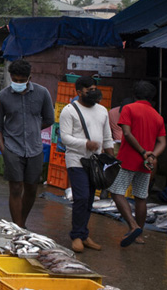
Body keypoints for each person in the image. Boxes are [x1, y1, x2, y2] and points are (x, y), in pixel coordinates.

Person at [0, 59, 54, 228]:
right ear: (11, 77)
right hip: (12, 148)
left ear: (29, 78)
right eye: (15, 80)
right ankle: (17, 227)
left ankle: (22, 223)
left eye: (22, 80)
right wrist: (4, 150)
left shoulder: (42, 93)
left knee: (32, 188)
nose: (18, 83)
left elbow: (49, 119)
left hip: (35, 149)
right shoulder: (3, 96)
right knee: (16, 188)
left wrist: (32, 128)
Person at [58, 76, 114, 253]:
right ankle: (76, 235)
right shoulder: (69, 110)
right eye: (89, 89)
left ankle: (83, 234)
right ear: (79, 92)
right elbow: (65, 137)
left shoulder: (103, 111)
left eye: (95, 88)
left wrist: (111, 159)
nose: (93, 91)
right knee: (81, 196)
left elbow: (107, 137)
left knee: (90, 198)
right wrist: (85, 144)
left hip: (95, 162)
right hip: (76, 159)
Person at [110, 81, 166, 247]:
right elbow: (162, 142)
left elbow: (126, 133)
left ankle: (133, 226)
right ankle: (140, 235)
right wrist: (151, 155)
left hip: (128, 158)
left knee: (116, 192)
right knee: (141, 197)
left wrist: (142, 152)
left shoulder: (129, 108)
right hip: (147, 163)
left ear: (134, 95)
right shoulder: (157, 116)